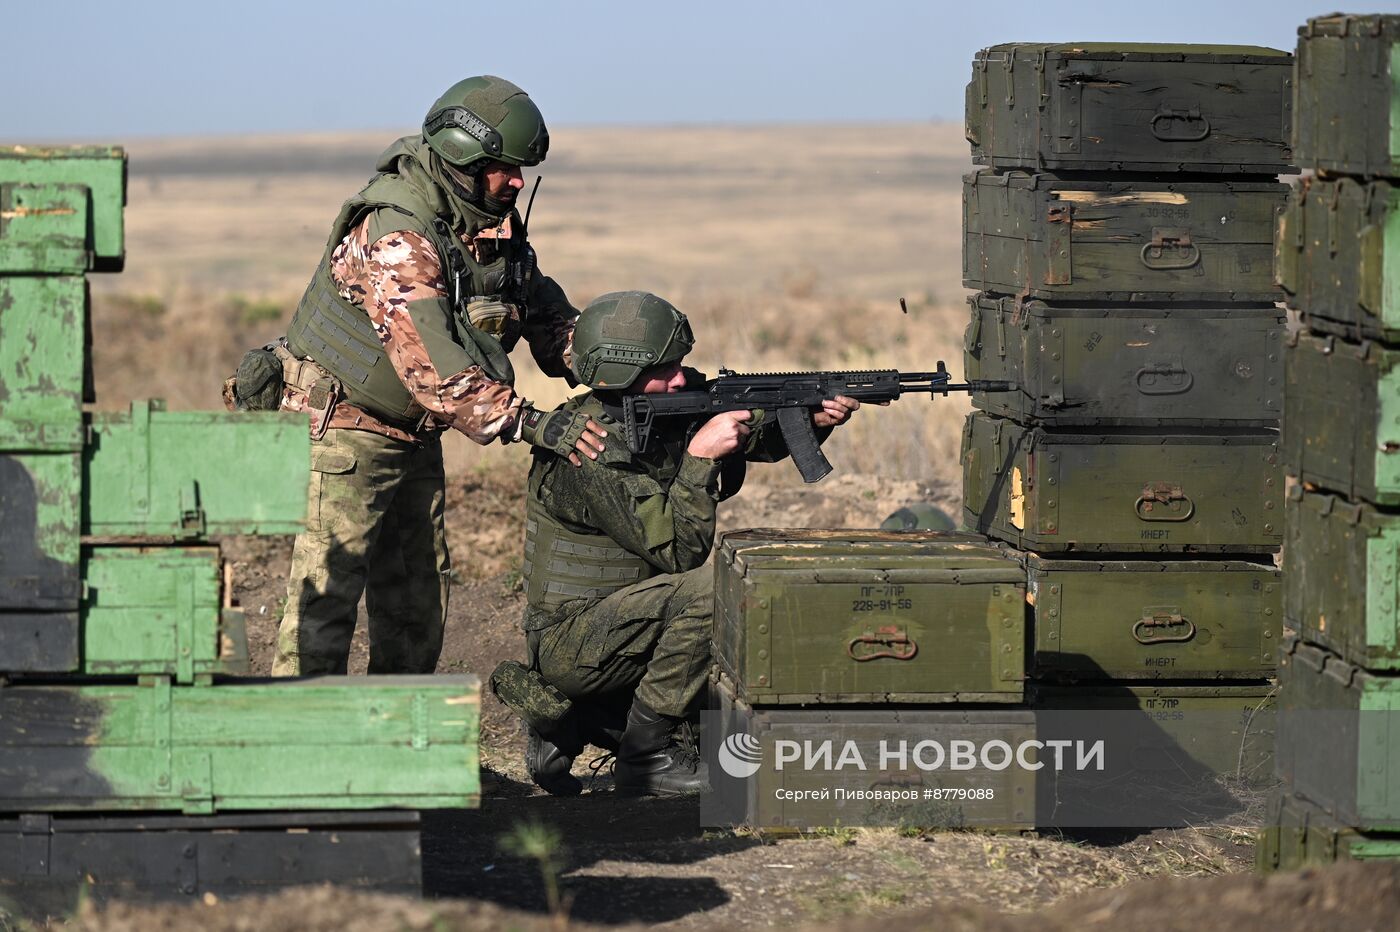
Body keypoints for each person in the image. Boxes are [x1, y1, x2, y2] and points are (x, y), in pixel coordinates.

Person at [267, 76, 606, 676]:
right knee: (324, 607)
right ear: (464, 157)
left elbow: (544, 313)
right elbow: (433, 370)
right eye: (505, 167)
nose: (518, 181)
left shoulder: (479, 223)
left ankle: (398, 756)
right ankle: (293, 759)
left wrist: (626, 363)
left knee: (417, 606)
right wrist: (529, 422)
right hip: (344, 432)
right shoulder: (398, 231)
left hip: (412, 435)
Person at [503, 291, 860, 796]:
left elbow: (752, 438)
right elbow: (679, 552)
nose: (679, 378)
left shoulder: (660, 407)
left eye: (679, 364)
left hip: (634, 628)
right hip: (575, 644)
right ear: (618, 373)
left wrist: (808, 420)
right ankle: (646, 758)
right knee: (717, 588)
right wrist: (699, 458)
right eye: (663, 369)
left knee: (739, 726)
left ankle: (572, 724)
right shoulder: (590, 448)